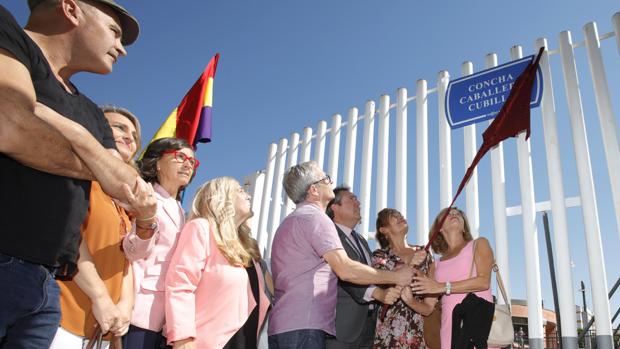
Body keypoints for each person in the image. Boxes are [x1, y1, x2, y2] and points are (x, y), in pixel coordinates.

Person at [0, 1, 143, 347]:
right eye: (115, 31)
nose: (122, 49)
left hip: (46, 285)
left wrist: (74, 134)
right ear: (70, 8)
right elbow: (10, 127)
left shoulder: (91, 114)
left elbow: (126, 185)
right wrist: (99, 166)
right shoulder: (7, 33)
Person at [268, 161, 414, 349]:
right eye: (326, 178)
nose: (330, 181)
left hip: (283, 325)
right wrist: (396, 276)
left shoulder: (288, 223)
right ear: (314, 190)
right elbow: (345, 269)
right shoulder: (316, 218)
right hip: (306, 326)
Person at [50, 106, 157, 348]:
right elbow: (69, 238)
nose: (130, 137)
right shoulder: (78, 178)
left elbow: (127, 262)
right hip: (64, 318)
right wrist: (101, 298)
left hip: (104, 327)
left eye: (135, 135)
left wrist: (124, 307)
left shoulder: (124, 203)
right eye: (119, 127)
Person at [165, 177, 271, 349]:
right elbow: (180, 285)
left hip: (246, 341)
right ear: (221, 198)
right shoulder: (200, 228)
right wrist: (183, 338)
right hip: (208, 342)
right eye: (239, 190)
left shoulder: (248, 248)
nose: (247, 195)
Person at [123, 137, 199, 348]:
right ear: (157, 162)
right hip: (139, 311)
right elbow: (131, 252)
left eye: (192, 162)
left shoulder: (180, 210)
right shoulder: (144, 195)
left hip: (168, 318)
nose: (188, 164)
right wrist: (146, 222)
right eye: (180, 157)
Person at [325, 187, 404, 349]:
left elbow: (369, 275)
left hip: (368, 327)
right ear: (335, 207)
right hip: (341, 329)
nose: (358, 202)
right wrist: (380, 293)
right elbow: (346, 273)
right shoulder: (328, 235)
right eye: (352, 199)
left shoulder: (360, 240)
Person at [411, 207, 496, 349]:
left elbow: (483, 282)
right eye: (448, 214)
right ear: (439, 228)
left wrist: (442, 287)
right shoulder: (436, 265)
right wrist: (409, 300)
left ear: (464, 227)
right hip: (450, 332)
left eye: (458, 213)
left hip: (479, 326)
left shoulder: (478, 244)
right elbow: (427, 308)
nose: (454, 214)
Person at [372, 208, 436, 348]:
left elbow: (429, 307)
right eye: (393, 216)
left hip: (417, 335)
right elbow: (386, 284)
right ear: (384, 230)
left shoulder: (425, 254)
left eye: (400, 214)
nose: (399, 216)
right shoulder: (379, 256)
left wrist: (412, 301)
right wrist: (411, 262)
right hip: (387, 335)